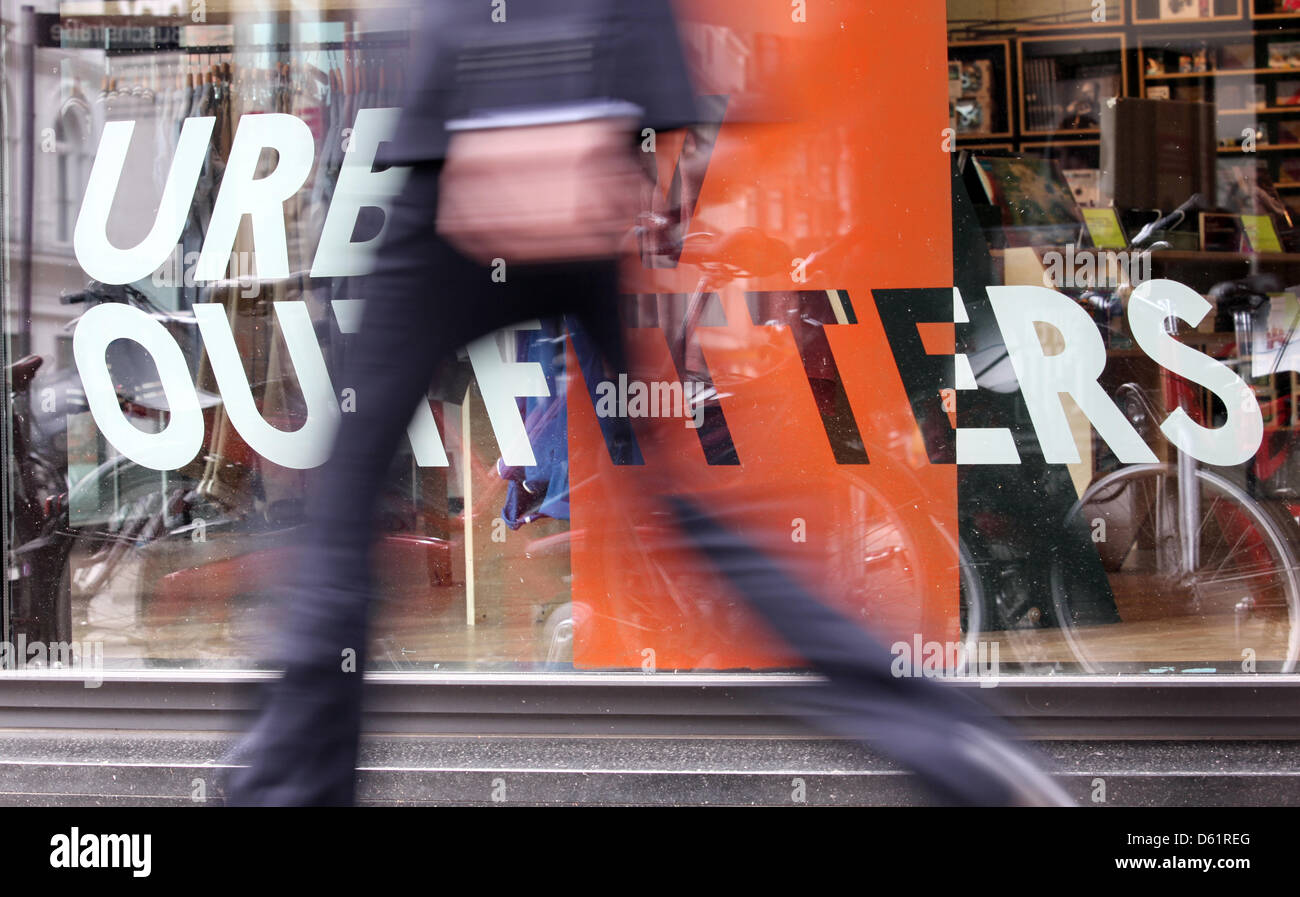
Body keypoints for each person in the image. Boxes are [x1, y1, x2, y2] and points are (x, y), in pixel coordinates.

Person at [223, 0, 1072, 807]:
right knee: (696, 508)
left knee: (344, 508)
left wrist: (503, 100)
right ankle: (952, 745)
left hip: (484, 151)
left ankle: (289, 790)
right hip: (590, 147)